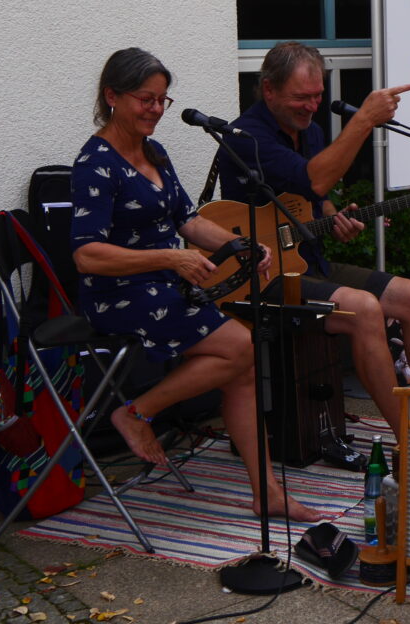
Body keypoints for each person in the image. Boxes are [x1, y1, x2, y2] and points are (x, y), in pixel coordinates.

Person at [70, 47, 323, 522]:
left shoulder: (154, 152)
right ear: (112, 97)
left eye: (162, 100)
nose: (155, 110)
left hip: (164, 287)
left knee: (243, 363)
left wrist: (239, 245)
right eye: (145, 99)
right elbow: (86, 254)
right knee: (242, 347)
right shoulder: (94, 163)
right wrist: (168, 257)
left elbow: (186, 220)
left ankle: (265, 492)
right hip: (118, 295)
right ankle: (135, 412)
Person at [216, 42, 410, 438]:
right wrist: (363, 121)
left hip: (309, 263)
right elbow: (316, 177)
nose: (311, 106)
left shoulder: (312, 132)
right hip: (263, 275)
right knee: (362, 308)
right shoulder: (246, 137)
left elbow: (315, 196)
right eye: (300, 97)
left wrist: (333, 217)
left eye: (318, 96)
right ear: (269, 89)